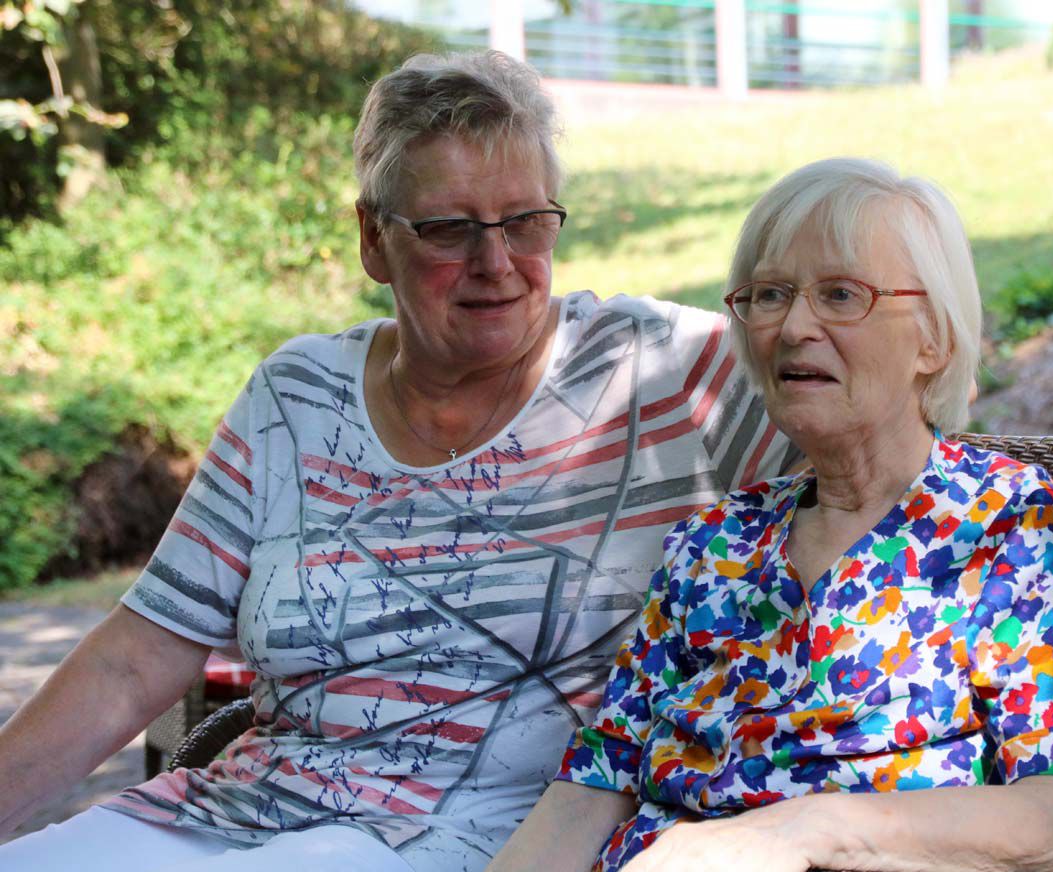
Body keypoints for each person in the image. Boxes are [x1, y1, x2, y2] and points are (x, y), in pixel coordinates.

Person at [0, 51, 793, 872]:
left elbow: (888, 431)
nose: (497, 263)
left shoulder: (658, 373)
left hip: (482, 843)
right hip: (229, 815)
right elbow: (136, 658)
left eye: (526, 221)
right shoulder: (295, 397)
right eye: (450, 229)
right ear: (373, 240)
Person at [489, 159, 1053, 872]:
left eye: (841, 295)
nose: (791, 327)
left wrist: (800, 833)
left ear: (934, 338)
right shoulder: (714, 541)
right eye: (769, 295)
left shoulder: (1011, 526)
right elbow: (596, 782)